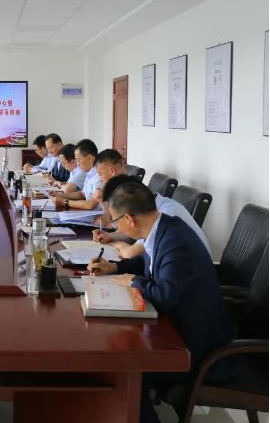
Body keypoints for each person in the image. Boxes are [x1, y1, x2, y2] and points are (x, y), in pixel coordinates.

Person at [87, 181, 232, 423]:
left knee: (122, 365)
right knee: (118, 353)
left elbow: (164, 295)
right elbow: (148, 264)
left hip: (195, 346)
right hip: (175, 327)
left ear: (129, 219)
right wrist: (115, 267)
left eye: (116, 221)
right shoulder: (163, 227)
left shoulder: (176, 241)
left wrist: (134, 281)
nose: (116, 227)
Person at [93, 174, 212, 258]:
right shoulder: (151, 209)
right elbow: (133, 235)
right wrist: (110, 236)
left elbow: (130, 253)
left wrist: (114, 244)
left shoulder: (165, 214)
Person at [49, 139, 101, 210]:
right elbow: (82, 194)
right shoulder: (89, 173)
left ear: (90, 158)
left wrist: (64, 202)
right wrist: (59, 195)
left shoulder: (99, 175)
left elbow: (90, 205)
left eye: (79, 160)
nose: (77, 164)